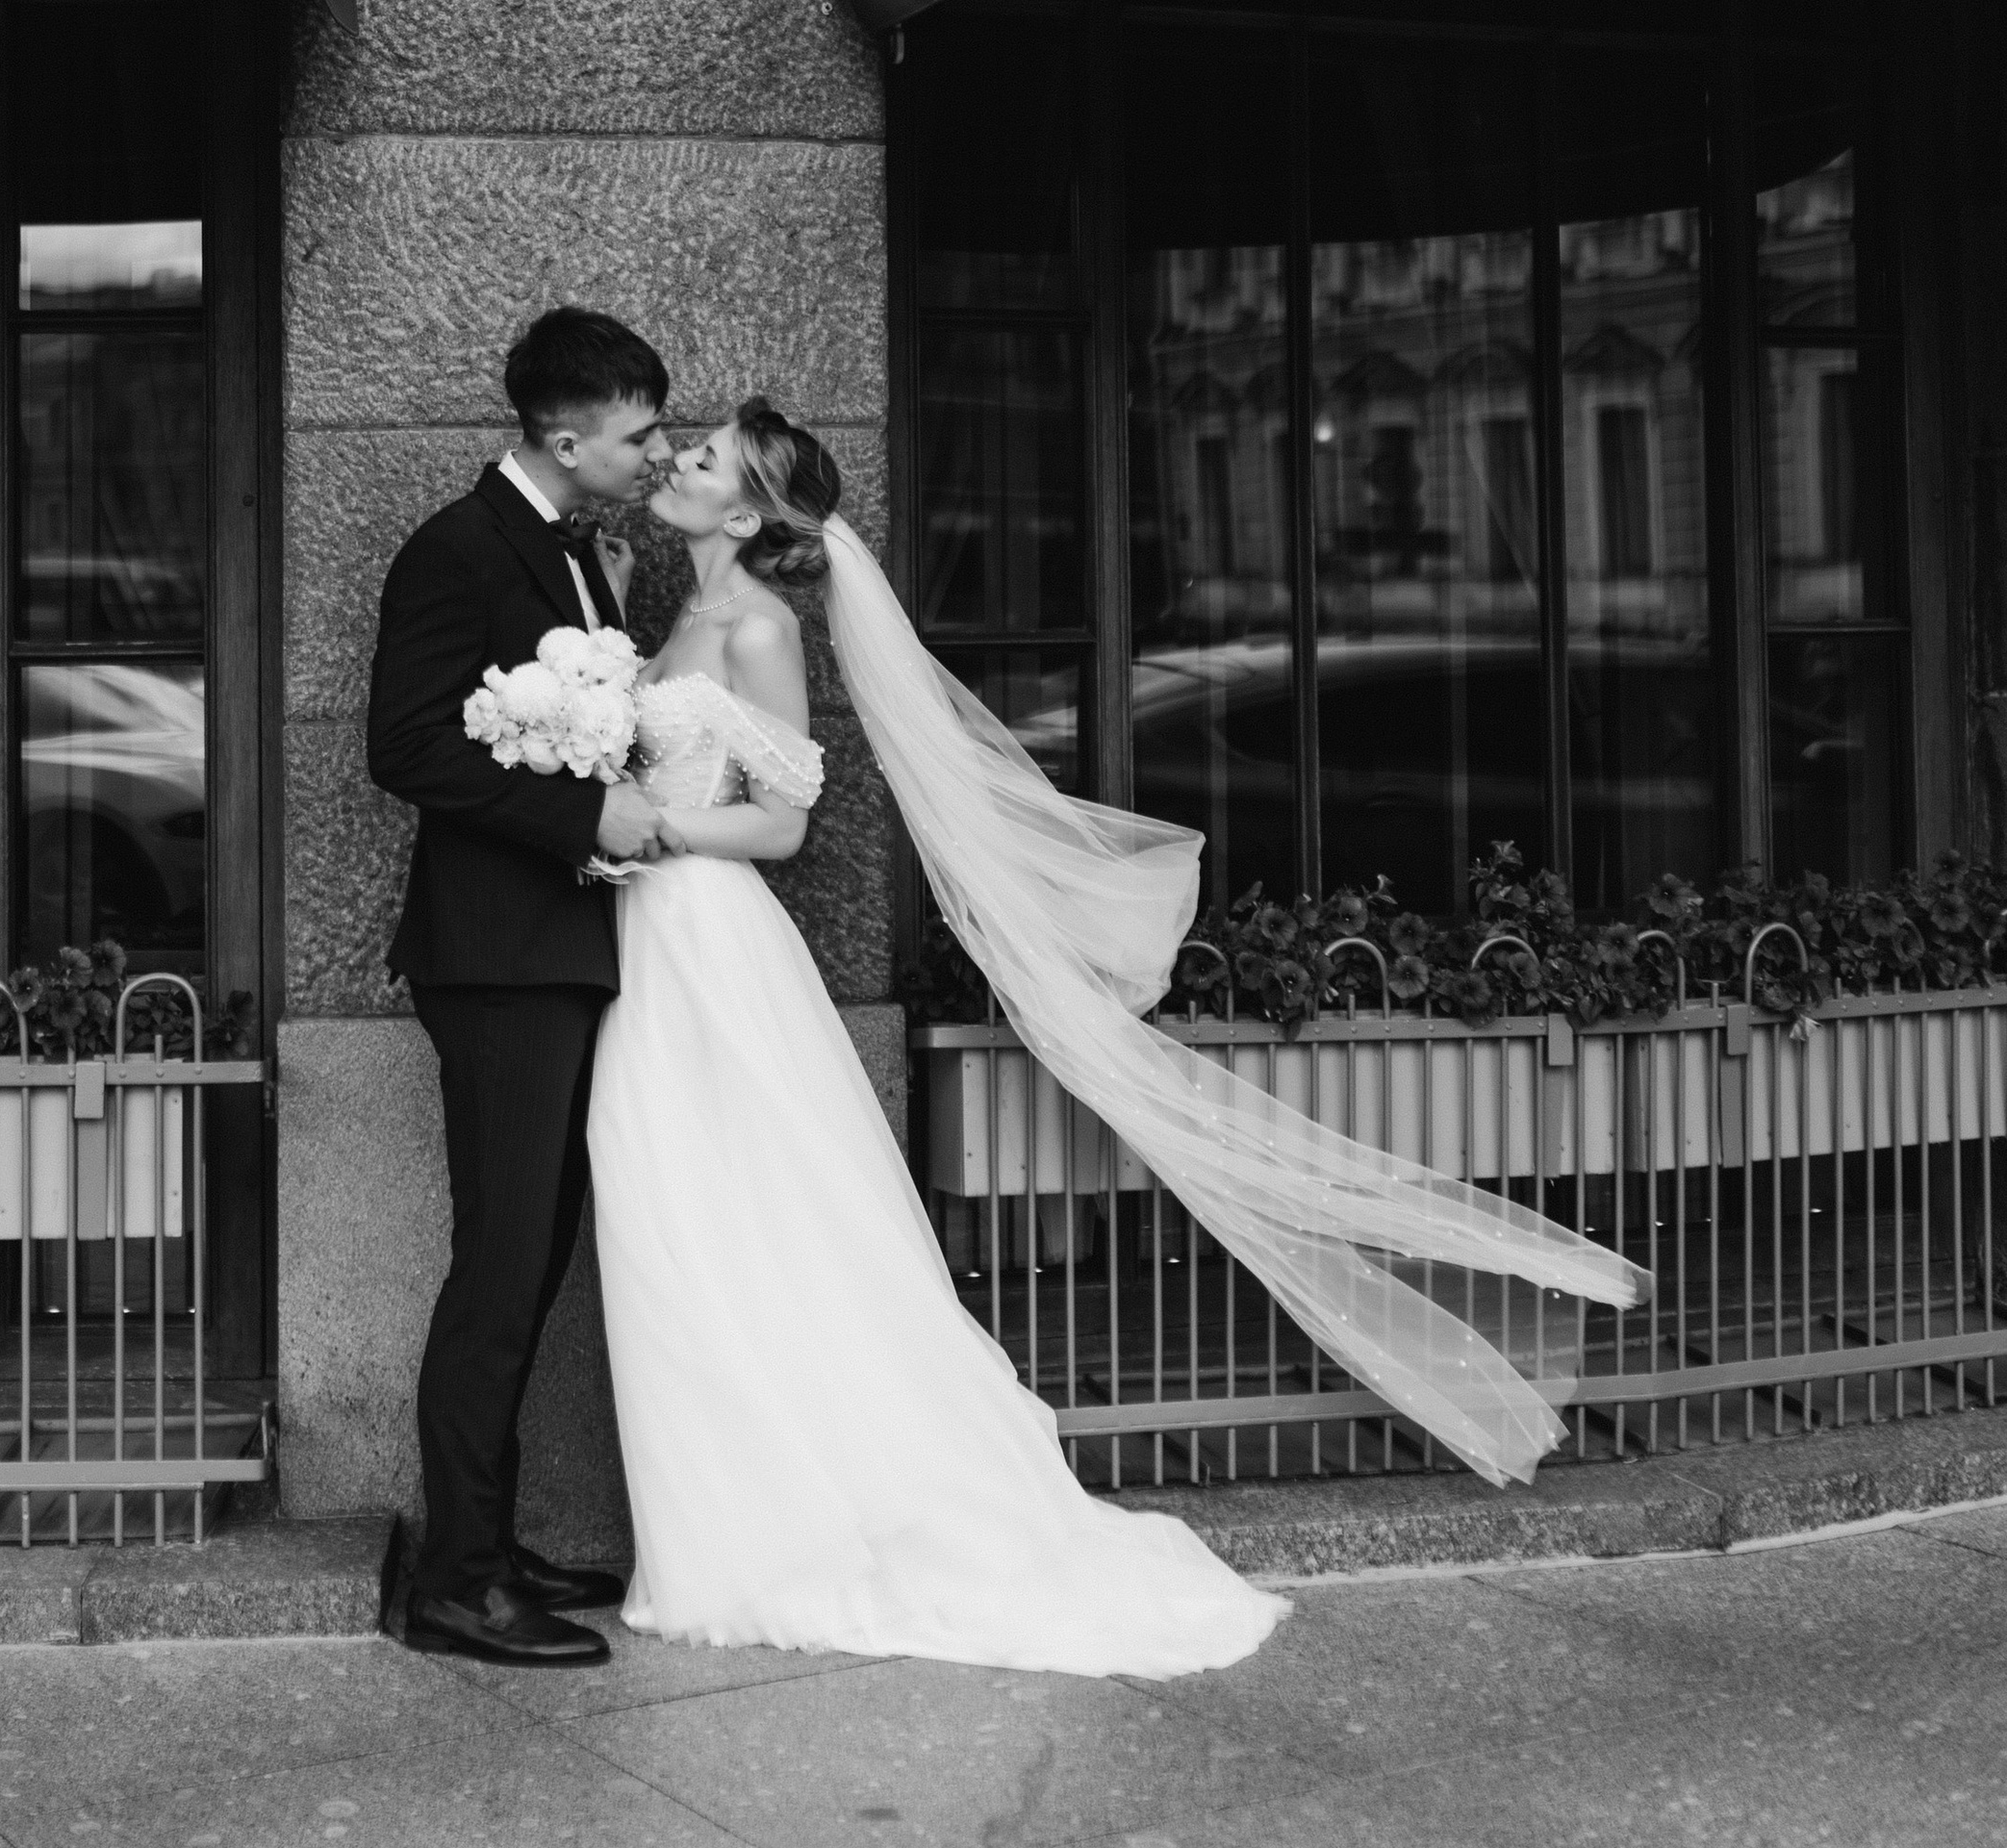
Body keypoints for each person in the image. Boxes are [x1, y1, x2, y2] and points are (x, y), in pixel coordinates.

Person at [586, 400, 1646, 1677]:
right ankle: (722, 1525)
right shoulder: (674, 614)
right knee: (686, 1225)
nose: (674, 465)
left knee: (739, 1217)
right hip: (656, 941)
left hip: (708, 934)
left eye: (699, 459)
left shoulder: (756, 625)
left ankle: (781, 1530)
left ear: (748, 511)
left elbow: (783, 824)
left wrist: (650, 827)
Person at [366, 306, 672, 1669]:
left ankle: (484, 1543)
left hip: (554, 951)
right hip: (494, 956)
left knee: (533, 1253)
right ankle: (456, 1583)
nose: (656, 452)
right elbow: (405, 743)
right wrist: (576, 823)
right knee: (499, 1265)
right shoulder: (456, 546)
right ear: (565, 434)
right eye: (640, 431)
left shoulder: (587, 552)